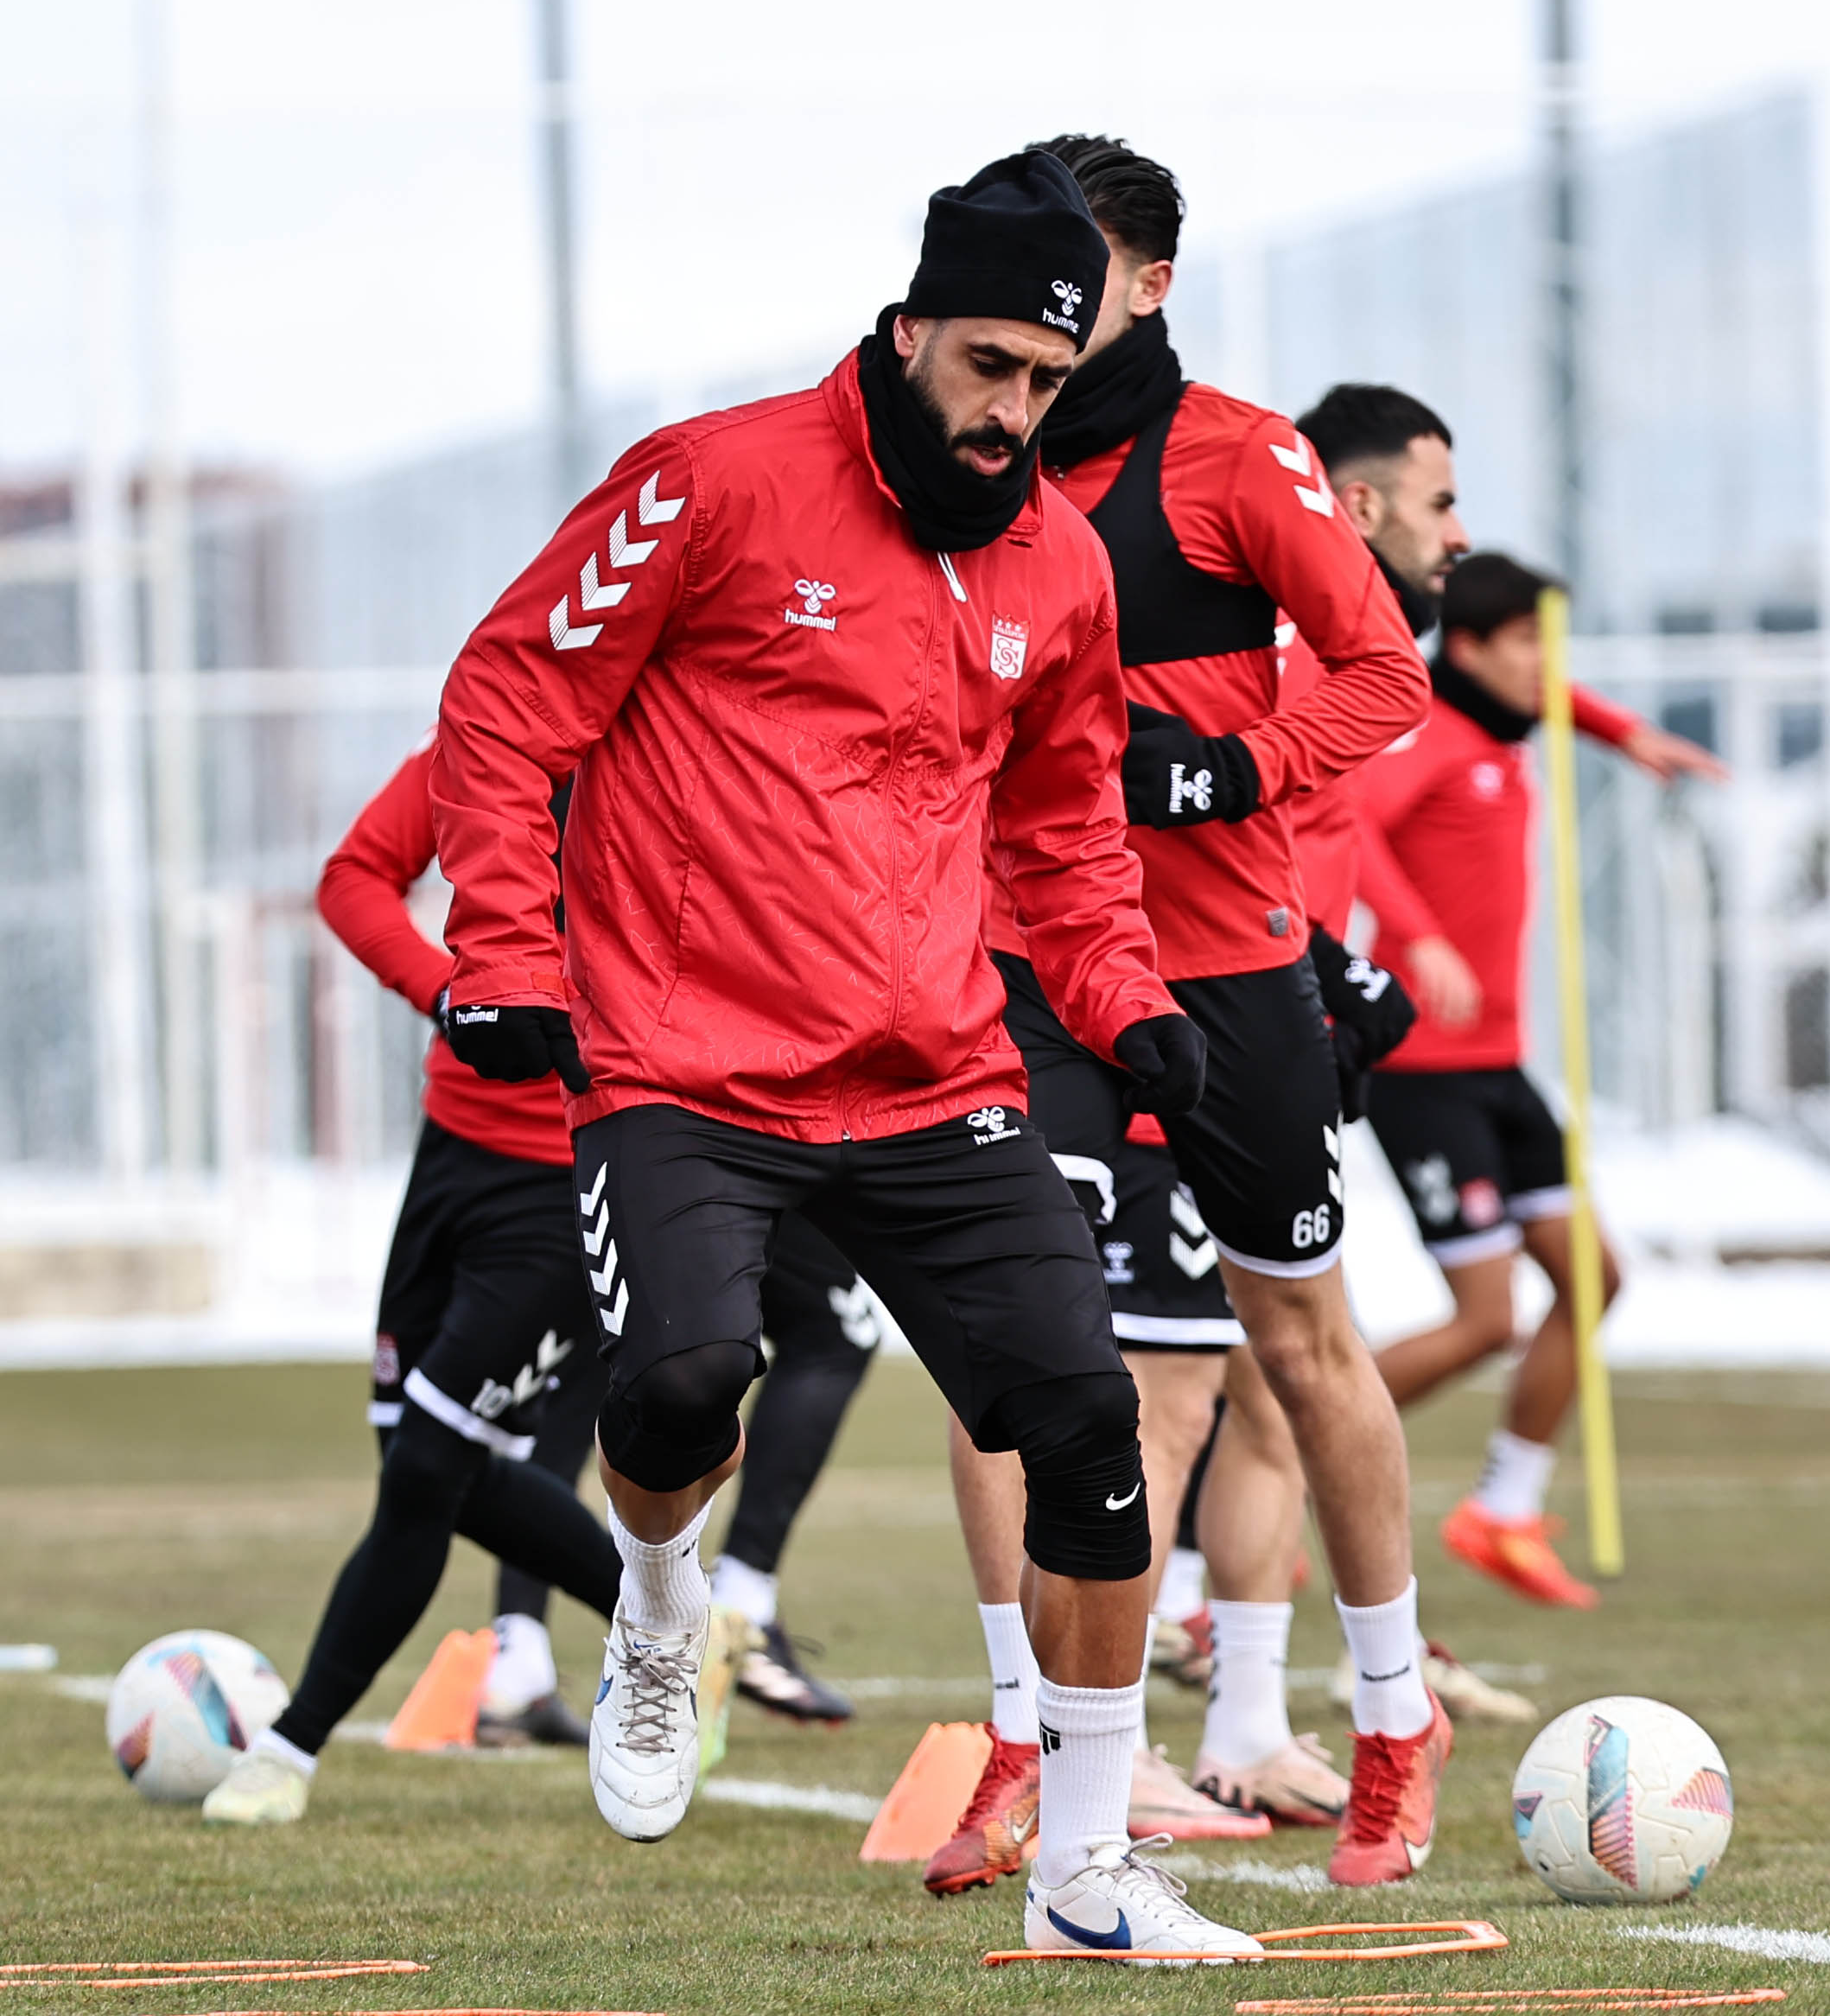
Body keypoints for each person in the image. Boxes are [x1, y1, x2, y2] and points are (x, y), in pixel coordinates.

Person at [429, 149, 1261, 1962]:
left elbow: (1065, 833)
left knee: (1092, 1429)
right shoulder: (708, 484)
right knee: (679, 1384)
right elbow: (508, 698)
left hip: (932, 1073)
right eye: (985, 369)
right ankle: (660, 1599)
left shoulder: (1054, 561)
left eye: (1044, 384)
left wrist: (1125, 1001)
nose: (1010, 416)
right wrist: (501, 949)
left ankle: (1087, 1877)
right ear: (907, 333)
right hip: (678, 1061)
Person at [938, 135, 1446, 1892]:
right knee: (1017, 1356)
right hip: (1027, 975)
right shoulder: (964, 461)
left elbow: (1386, 670)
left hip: (1230, 979)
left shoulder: (1238, 455)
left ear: (1147, 284)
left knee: (1299, 1350)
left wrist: (1232, 761)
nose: (1042, 301)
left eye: (1076, 266)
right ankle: (1028, 1736)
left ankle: (1393, 1721)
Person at [199, 741, 624, 1825]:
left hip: (573, 1178)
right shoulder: (490, 741)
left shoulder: (686, 756)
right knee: (427, 1457)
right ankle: (663, 1618)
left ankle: (288, 1751)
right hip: (449, 1160)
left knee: (429, 1463)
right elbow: (352, 876)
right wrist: (446, 992)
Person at [1351, 551, 1725, 1607]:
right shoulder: (1428, 727)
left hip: (1500, 1066)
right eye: (1527, 643)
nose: (1545, 667)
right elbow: (1349, 826)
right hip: (1422, 1068)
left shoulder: (1503, 716)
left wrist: (1622, 733)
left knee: (1593, 1277)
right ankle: (1274, 1449)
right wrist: (1416, 937)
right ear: (1469, 648)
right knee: (1482, 1318)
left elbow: (1552, 691)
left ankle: (1500, 1508)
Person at [708, 1213, 880, 1725]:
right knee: (833, 1335)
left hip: (574, 1151)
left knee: (583, 1365)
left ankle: (516, 1655)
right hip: (726, 1141)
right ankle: (730, 1609)